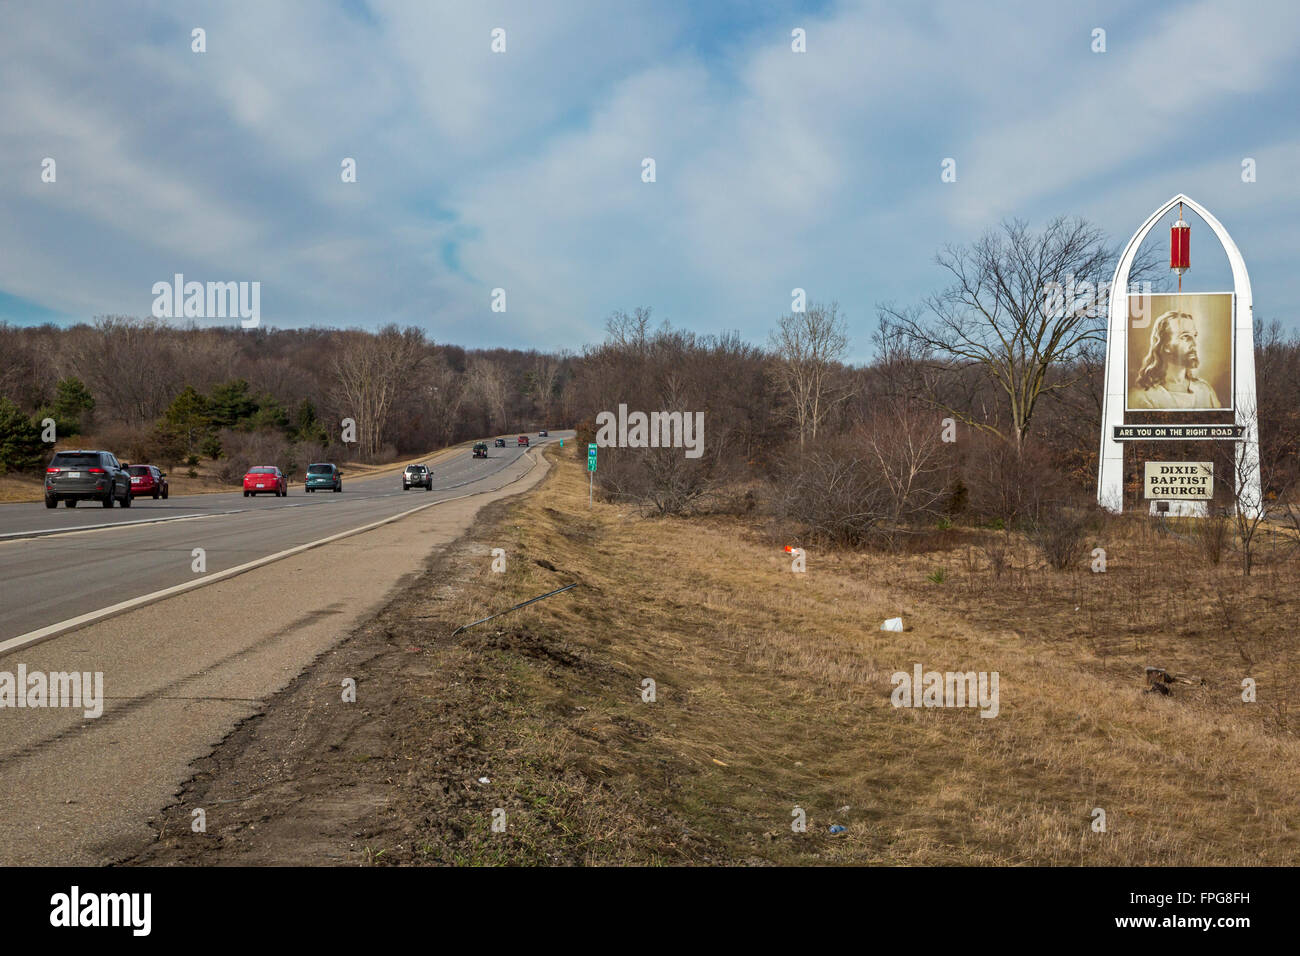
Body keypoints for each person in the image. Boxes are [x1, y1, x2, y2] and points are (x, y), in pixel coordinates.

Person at [1128, 310, 1223, 409]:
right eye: (1185, 337)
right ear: (1165, 345)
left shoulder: (1205, 391)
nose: (1194, 344)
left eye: (1194, 336)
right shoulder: (1142, 397)